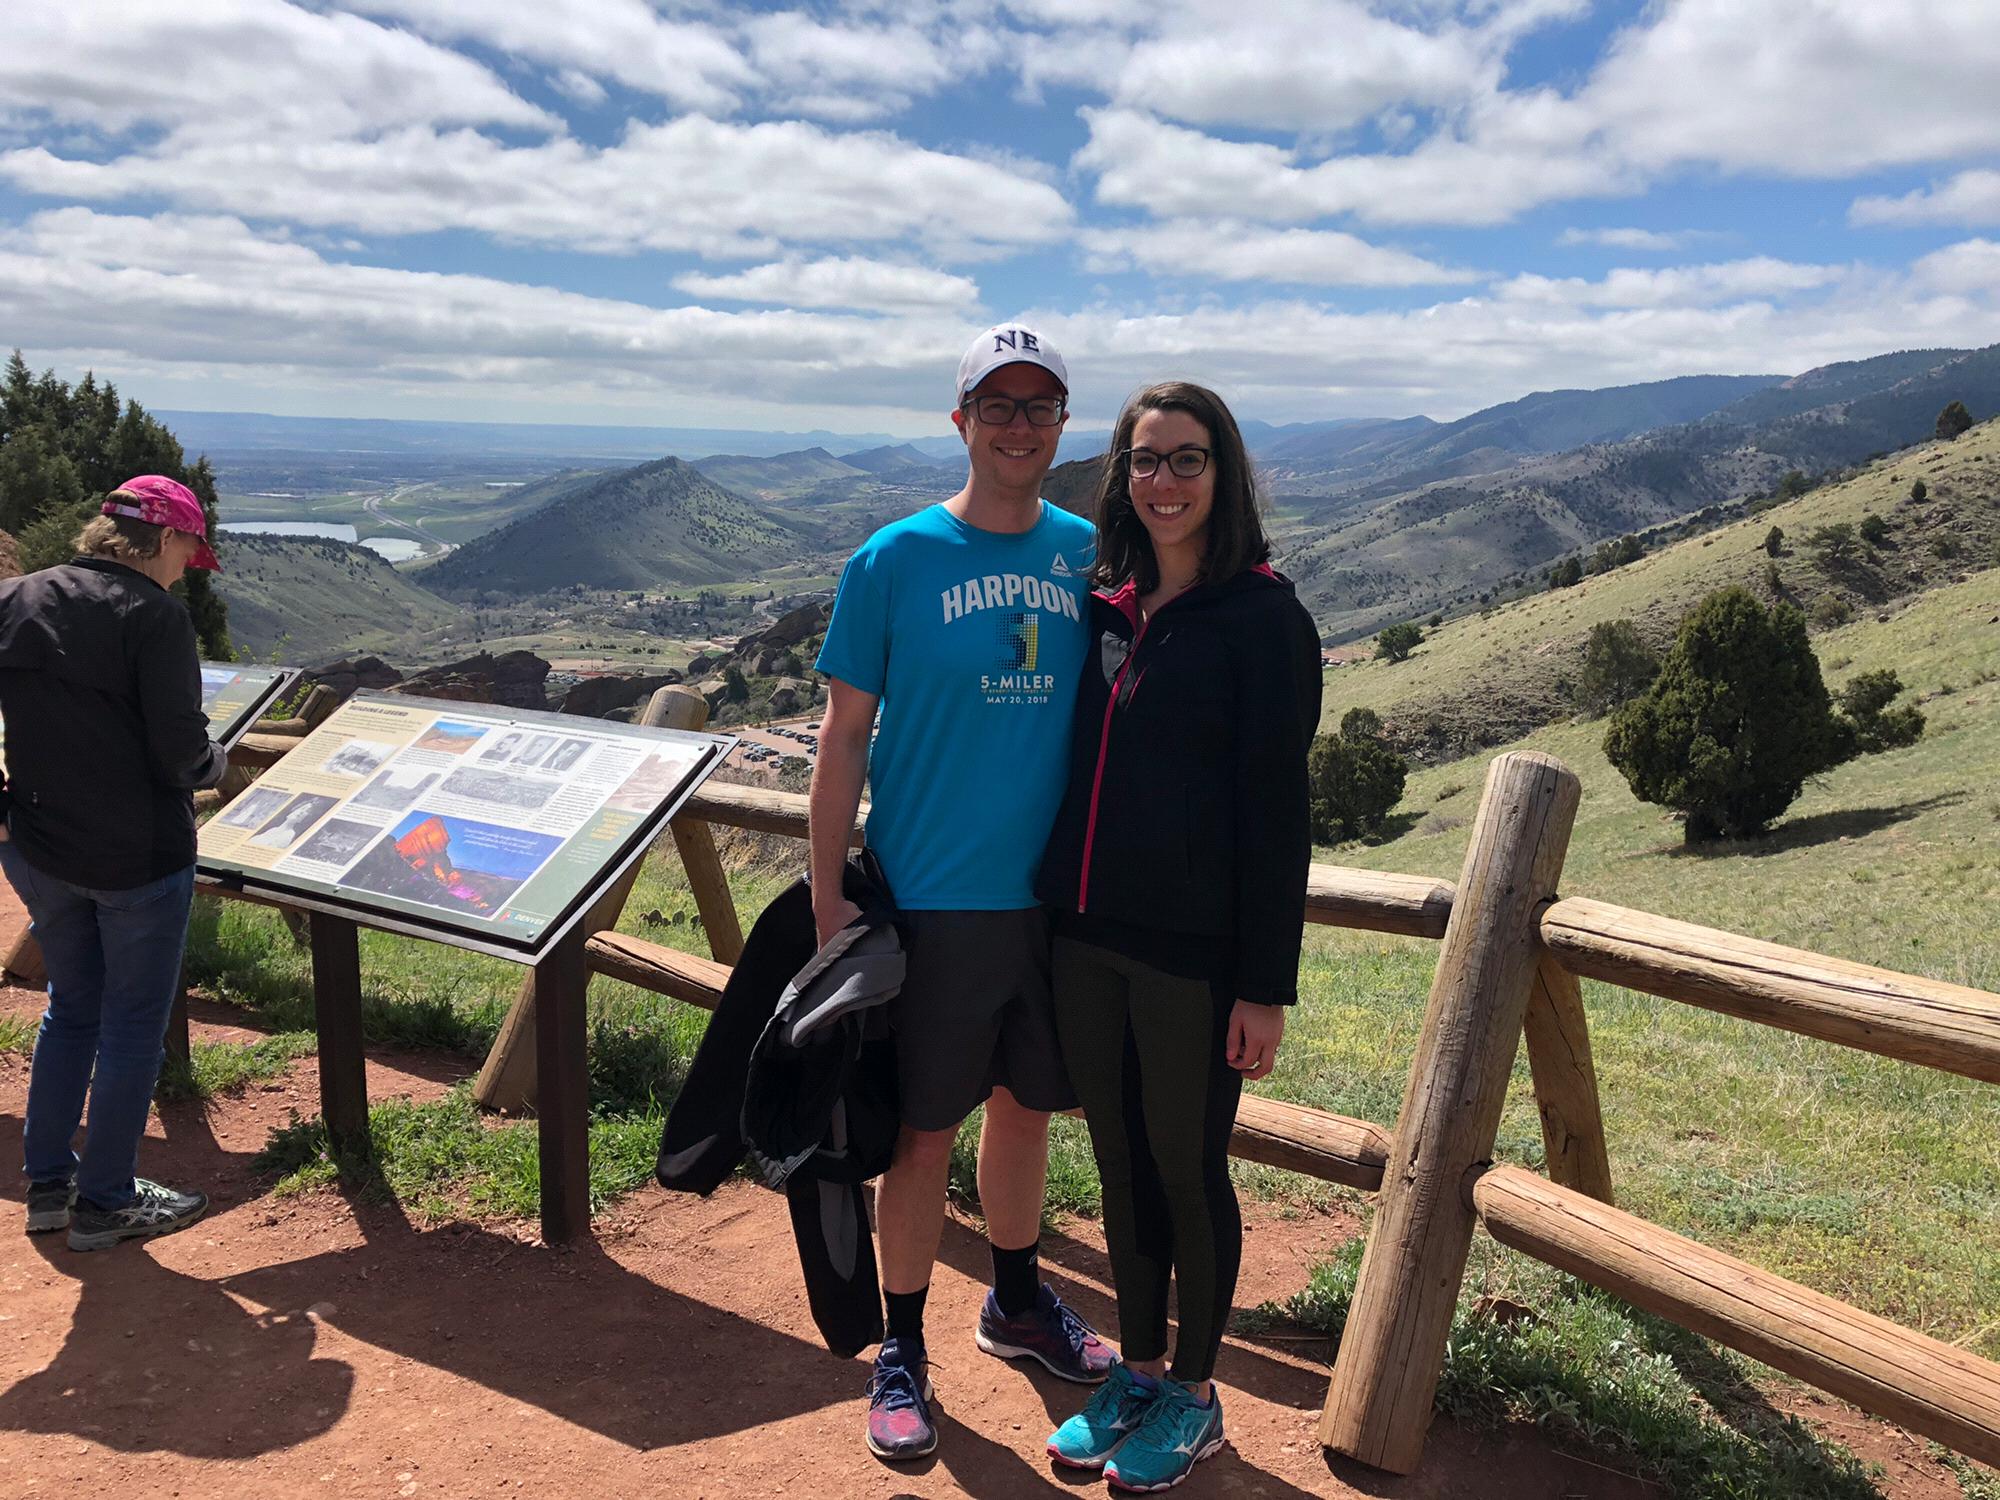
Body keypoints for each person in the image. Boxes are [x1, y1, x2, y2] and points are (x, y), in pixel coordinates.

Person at [811, 324, 1114, 1462]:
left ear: (1060, 424)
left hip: (1054, 900)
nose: (1019, 425)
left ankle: (1018, 1302)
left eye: (1040, 407)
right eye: (998, 406)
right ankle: (901, 1350)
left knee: (1028, 1109)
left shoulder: (1088, 553)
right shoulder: (889, 560)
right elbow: (842, 738)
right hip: (934, 897)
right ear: (960, 422)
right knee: (922, 1133)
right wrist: (829, 896)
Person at [1034, 382, 1322, 1491]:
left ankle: (1196, 1397)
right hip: (1086, 940)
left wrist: (1262, 986)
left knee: (1187, 1168)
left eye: (1186, 460)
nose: (1162, 481)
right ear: (1121, 476)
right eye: (1144, 461)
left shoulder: (1262, 621)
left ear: (1223, 474)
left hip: (1194, 961)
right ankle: (1141, 1372)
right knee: (1118, 1164)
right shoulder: (1105, 607)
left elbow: (1275, 816)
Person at [0, 476, 230, 1251]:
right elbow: (180, 752)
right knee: (133, 1026)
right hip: (138, 858)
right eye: (190, 553)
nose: (187, 570)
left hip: (38, 845)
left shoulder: (19, 597)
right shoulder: (154, 617)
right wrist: (215, 764)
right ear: (167, 539)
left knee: (72, 1007)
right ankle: (106, 1199)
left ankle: (48, 1184)